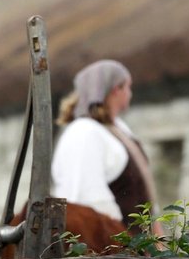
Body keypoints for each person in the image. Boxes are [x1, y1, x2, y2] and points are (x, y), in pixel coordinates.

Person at [51, 58, 158, 231]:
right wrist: (121, 245)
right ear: (116, 89)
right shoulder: (83, 133)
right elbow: (88, 198)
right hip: (111, 250)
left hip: (137, 247)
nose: (130, 93)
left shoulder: (118, 128)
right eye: (128, 87)